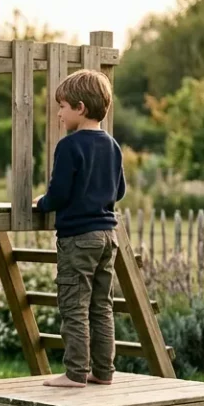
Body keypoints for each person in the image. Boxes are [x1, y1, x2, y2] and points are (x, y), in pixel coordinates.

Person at [33, 69, 124, 388]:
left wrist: (42, 202)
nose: (58, 113)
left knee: (74, 304)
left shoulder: (69, 146)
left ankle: (74, 373)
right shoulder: (112, 145)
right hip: (107, 237)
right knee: (101, 305)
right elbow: (120, 191)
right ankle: (103, 371)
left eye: (62, 106)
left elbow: (58, 194)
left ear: (80, 107)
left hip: (78, 238)